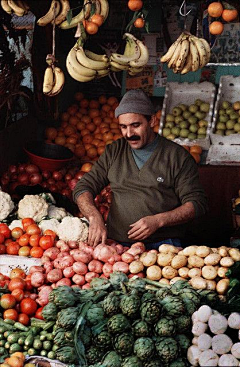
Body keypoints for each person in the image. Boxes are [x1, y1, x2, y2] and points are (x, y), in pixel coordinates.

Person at [73, 89, 208, 249]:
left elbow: (197, 203)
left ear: (151, 121)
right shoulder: (114, 151)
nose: (129, 134)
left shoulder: (176, 156)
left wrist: (158, 221)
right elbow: (82, 188)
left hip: (163, 245)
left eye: (135, 125)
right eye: (123, 127)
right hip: (117, 246)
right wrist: (94, 216)